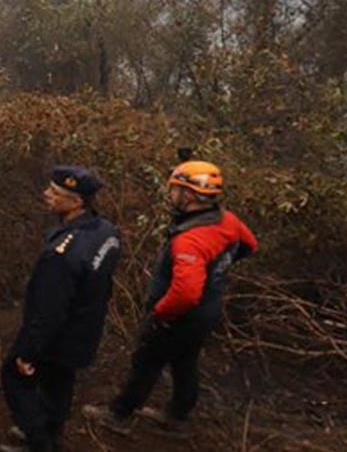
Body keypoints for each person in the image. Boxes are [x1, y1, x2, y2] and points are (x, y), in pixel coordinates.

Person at [84, 160, 257, 438]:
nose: (171, 194)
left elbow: (186, 292)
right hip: (208, 308)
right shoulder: (226, 220)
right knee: (185, 360)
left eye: (175, 189)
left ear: (188, 195)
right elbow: (249, 244)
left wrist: (160, 314)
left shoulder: (191, 239)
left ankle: (119, 414)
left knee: (147, 361)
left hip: (182, 314)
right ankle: (177, 416)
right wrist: (219, 268)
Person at [0, 166, 121, 452]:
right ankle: (51, 432)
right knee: (59, 385)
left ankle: (39, 442)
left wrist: (28, 351)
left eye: (55, 193)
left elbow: (49, 310)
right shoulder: (106, 232)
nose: (46, 195)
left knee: (15, 379)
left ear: (76, 202)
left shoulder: (62, 255)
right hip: (86, 330)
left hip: (59, 336)